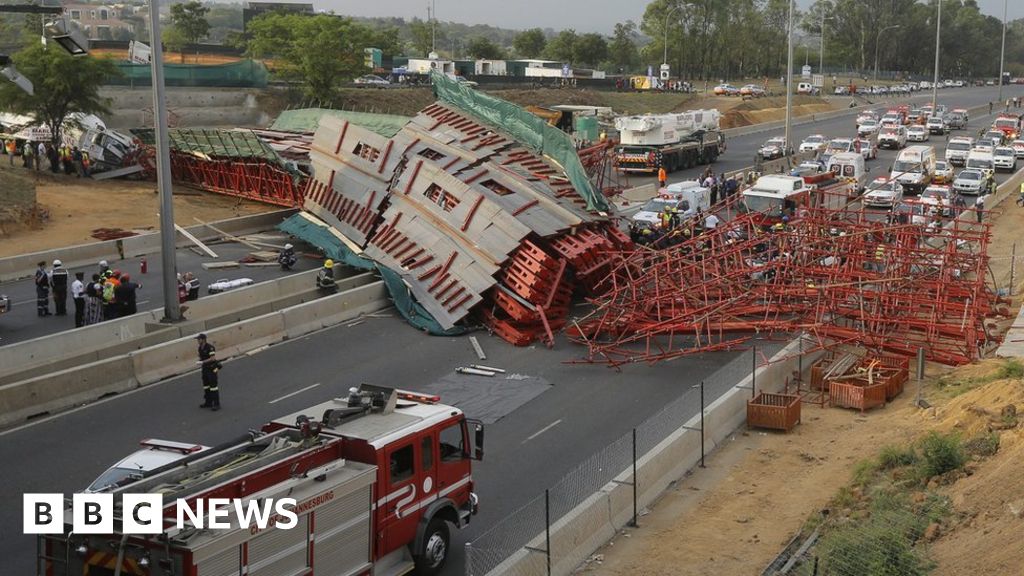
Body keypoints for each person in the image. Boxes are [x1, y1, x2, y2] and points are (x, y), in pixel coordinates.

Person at [196, 333, 221, 410]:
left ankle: (216, 404)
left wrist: (203, 362)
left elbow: (212, 358)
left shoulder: (210, 348)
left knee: (213, 387)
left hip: (211, 369)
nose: (197, 341)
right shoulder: (200, 348)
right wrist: (200, 361)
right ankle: (208, 402)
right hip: (205, 369)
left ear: (203, 339)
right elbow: (201, 356)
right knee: (206, 386)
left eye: (199, 339)